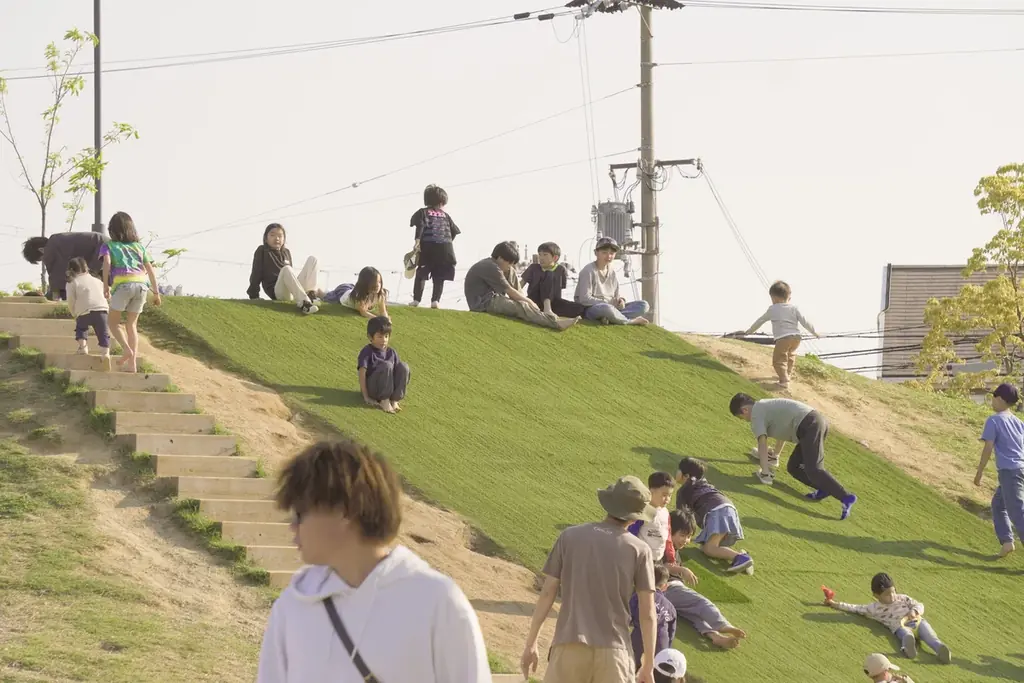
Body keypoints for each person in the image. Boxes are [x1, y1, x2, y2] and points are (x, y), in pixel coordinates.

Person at [256, 440, 490, 683]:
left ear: (344, 511)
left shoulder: (436, 602)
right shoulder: (293, 607)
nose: (292, 526)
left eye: (299, 514)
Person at [521, 476, 659, 683]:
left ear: (609, 503)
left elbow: (548, 592)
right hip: (615, 652)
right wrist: (648, 664)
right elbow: (647, 613)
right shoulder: (639, 550)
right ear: (636, 516)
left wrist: (531, 643)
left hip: (569, 645)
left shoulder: (570, 536)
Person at [729, 393, 858, 520]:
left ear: (744, 410)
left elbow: (762, 443)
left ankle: (846, 497)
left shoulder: (757, 414)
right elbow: (782, 433)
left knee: (814, 469)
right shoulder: (765, 407)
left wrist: (765, 472)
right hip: (812, 423)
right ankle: (823, 488)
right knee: (793, 467)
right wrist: (775, 456)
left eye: (742, 418)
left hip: (810, 425)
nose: (746, 421)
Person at [664, 510, 748, 650]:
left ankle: (716, 637)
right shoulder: (662, 546)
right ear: (670, 531)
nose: (686, 540)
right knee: (701, 603)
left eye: (689, 536)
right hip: (667, 588)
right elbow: (659, 565)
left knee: (695, 614)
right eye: (682, 535)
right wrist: (682, 570)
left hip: (668, 593)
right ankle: (722, 625)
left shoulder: (675, 549)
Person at [825, 572, 951, 664]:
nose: (892, 596)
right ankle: (908, 647)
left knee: (930, 636)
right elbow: (855, 608)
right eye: (887, 594)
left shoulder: (903, 598)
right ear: (876, 595)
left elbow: (919, 605)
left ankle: (940, 649)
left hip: (917, 622)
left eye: (893, 591)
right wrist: (834, 604)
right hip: (900, 626)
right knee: (906, 634)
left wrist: (914, 611)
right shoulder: (874, 608)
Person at [465, 241, 579, 331]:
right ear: (500, 258)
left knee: (512, 275)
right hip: (484, 303)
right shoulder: (491, 267)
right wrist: (529, 302)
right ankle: (556, 324)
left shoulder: (498, 266)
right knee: (520, 307)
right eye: (509, 262)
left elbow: (513, 288)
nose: (510, 266)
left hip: (493, 298)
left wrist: (524, 300)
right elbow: (509, 291)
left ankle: (537, 312)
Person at [99, 212, 161, 374]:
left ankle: (126, 349)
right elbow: (150, 270)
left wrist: (105, 285)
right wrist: (156, 292)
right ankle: (132, 364)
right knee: (131, 325)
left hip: (123, 285)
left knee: (112, 323)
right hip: (142, 286)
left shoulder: (108, 245)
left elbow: (106, 263)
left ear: (111, 229)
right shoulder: (139, 247)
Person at [675, 457, 752, 573]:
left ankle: (740, 558)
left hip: (717, 512)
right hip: (728, 508)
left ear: (685, 475)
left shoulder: (683, 492)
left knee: (708, 548)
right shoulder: (702, 482)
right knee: (708, 545)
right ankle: (741, 556)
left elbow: (681, 518)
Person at [973, 382, 1024, 558]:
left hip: (1010, 472)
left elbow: (988, 447)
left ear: (1000, 399)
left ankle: (1009, 541)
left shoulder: (994, 420)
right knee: (998, 505)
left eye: (993, 397)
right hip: (1018, 470)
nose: (992, 401)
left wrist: (979, 472)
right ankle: (1007, 542)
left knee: (1018, 513)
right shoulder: (1018, 422)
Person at [742, 280, 820, 389]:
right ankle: (787, 374)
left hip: (783, 338)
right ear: (788, 297)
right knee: (790, 356)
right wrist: (814, 332)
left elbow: (760, 321)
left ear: (774, 298)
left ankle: (784, 381)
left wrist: (749, 331)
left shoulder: (772, 309)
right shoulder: (794, 308)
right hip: (796, 338)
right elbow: (805, 321)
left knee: (779, 360)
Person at [247, 222, 320, 315]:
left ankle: (311, 295)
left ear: (284, 238)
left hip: (292, 292)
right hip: (278, 292)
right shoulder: (262, 251)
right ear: (266, 238)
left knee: (313, 260)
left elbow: (291, 276)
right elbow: (256, 273)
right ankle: (305, 304)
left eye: (280, 236)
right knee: (287, 269)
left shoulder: (286, 252)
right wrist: (254, 295)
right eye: (272, 235)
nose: (277, 238)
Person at [574, 237, 650, 326]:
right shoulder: (588, 271)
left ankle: (611, 318)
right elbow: (585, 299)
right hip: (591, 309)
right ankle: (630, 321)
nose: (608, 256)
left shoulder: (612, 272)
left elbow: (616, 296)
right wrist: (607, 303)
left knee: (643, 305)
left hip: (611, 307)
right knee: (606, 309)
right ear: (596, 253)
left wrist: (621, 301)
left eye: (611, 253)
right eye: (604, 253)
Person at [410, 184, 460, 309]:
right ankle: (435, 301)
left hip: (428, 247)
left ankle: (416, 300)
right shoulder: (446, 215)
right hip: (445, 249)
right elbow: (454, 231)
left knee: (421, 273)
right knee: (439, 276)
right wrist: (446, 241)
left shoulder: (422, 212)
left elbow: (420, 226)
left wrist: (417, 242)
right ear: (442, 201)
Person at [21, 231, 106, 301]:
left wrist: (50, 297)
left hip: (100, 248)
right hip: (102, 246)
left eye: (42, 259)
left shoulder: (53, 249)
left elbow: (57, 279)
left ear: (42, 250)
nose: (45, 262)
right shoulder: (57, 241)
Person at [358, 316, 409, 414]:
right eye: (380, 337)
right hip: (373, 389)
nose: (384, 340)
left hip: (388, 387)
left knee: (404, 366)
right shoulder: (367, 351)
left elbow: (398, 373)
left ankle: (394, 400)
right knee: (387, 365)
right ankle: (384, 400)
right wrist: (366, 396)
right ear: (370, 337)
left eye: (386, 336)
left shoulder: (391, 352)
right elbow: (362, 373)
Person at [629, 564, 676, 671]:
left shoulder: (639, 596)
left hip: (638, 646)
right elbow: (671, 634)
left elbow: (626, 618)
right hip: (661, 654)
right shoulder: (671, 608)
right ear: (665, 586)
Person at [520, 242, 586, 319]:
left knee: (580, 308)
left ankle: (548, 309)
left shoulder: (561, 270)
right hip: (534, 301)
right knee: (549, 274)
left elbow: (559, 289)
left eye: (545, 255)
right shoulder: (533, 268)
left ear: (555, 258)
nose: (541, 258)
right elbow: (520, 284)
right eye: (540, 254)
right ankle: (546, 310)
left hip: (554, 303)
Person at [65, 257, 110, 359]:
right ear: (86, 268)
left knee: (81, 329)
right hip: (102, 309)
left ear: (70, 270)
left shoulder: (72, 282)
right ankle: (105, 353)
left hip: (84, 311)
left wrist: (74, 313)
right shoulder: (97, 281)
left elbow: (71, 300)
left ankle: (83, 347)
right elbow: (106, 294)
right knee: (103, 332)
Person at [628, 472, 676, 564]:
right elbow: (631, 533)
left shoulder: (665, 513)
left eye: (670, 495)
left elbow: (668, 536)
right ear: (651, 491)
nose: (667, 499)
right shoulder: (643, 510)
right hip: (640, 559)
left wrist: (671, 556)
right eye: (664, 495)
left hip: (657, 560)